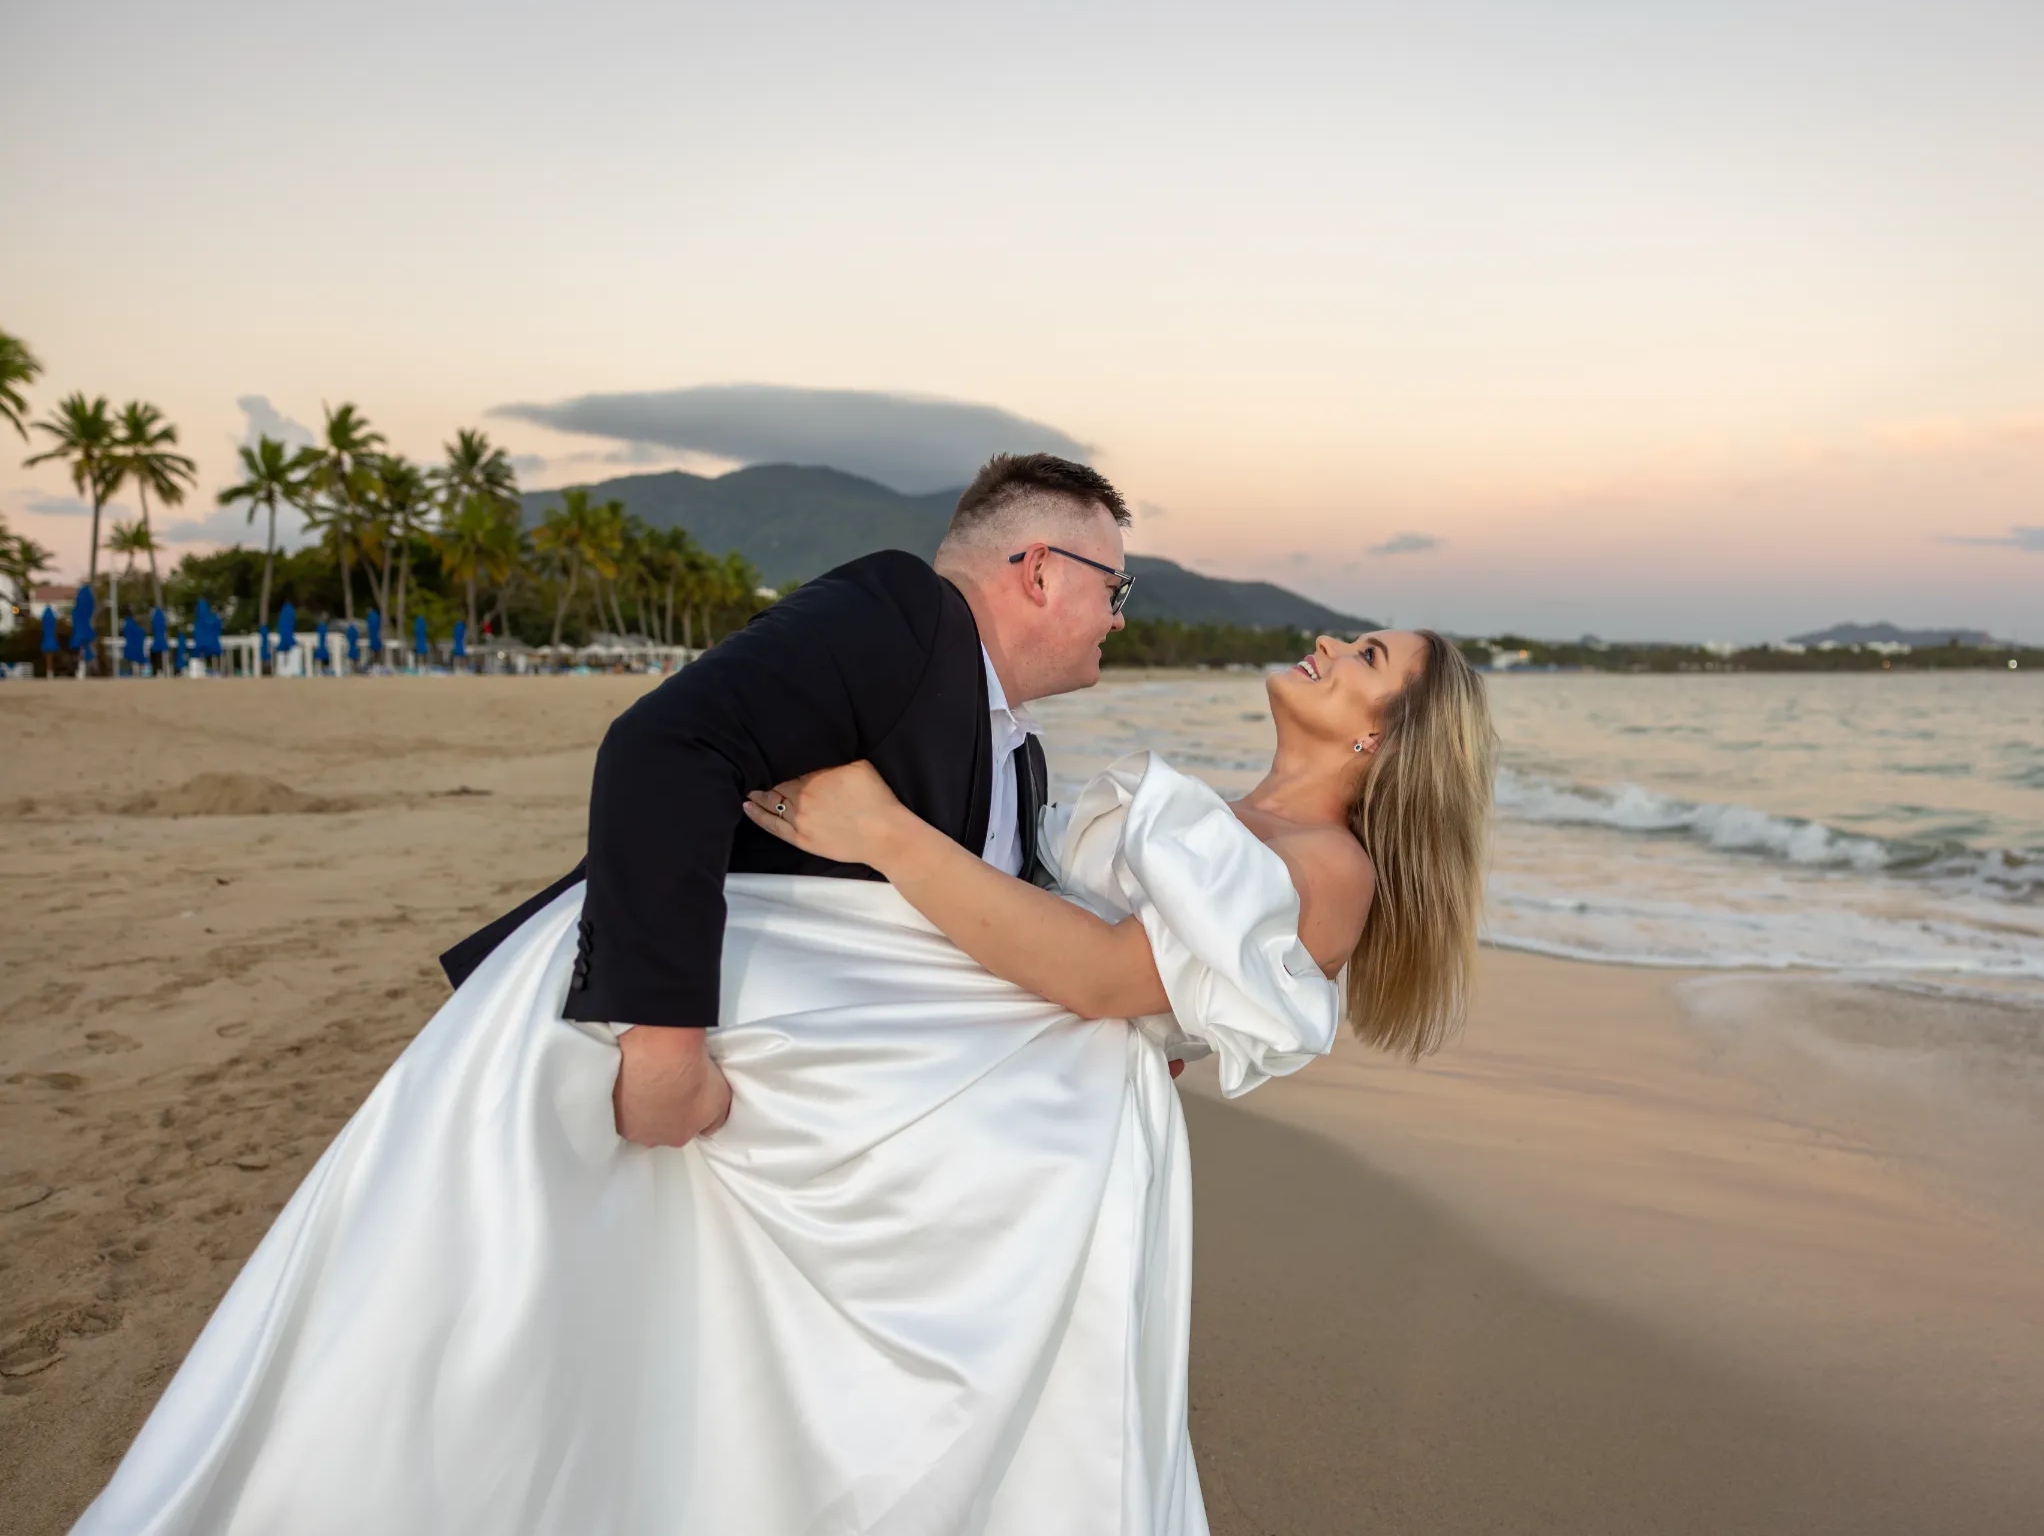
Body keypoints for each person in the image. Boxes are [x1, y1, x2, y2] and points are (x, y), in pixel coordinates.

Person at [70, 469, 1498, 1535]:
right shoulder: (909, 621)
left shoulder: (1316, 860)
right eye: (1116, 586)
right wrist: (670, 1032)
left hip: (991, 1156)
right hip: (783, 1077)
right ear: (1041, 568)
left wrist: (891, 838)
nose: (1329, 647)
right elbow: (667, 747)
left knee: (866, 1419)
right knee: (535, 1349)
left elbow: (1099, 974)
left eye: (1365, 656)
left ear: (1383, 733)